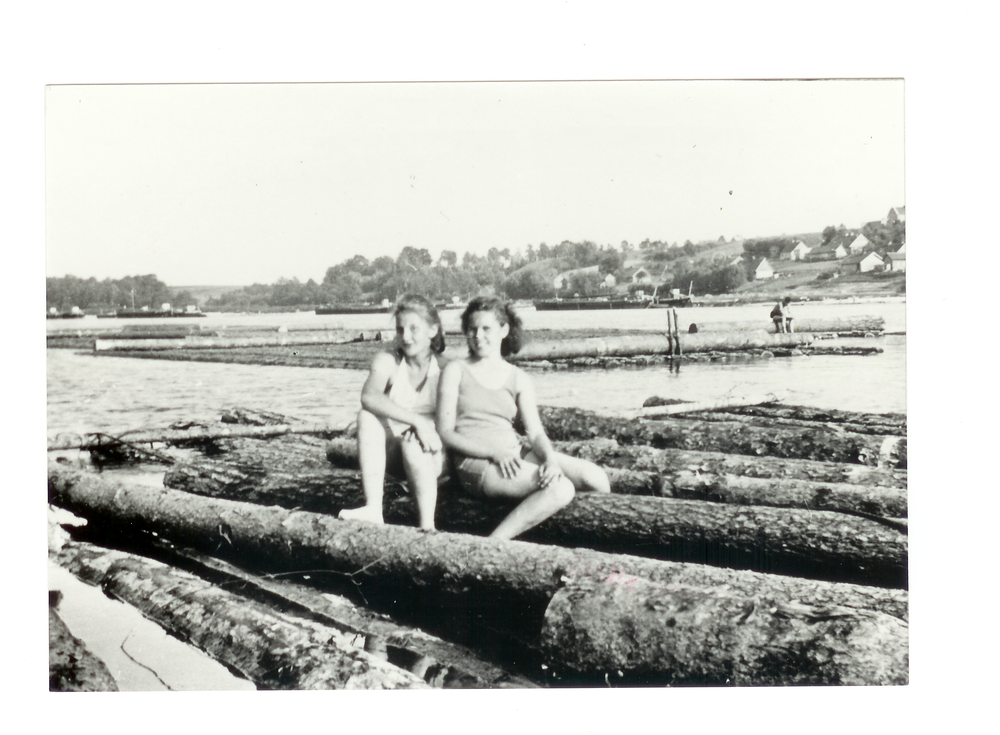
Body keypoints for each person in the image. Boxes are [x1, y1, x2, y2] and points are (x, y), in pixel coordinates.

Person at [436, 296, 610, 540]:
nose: (478, 336)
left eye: (486, 328)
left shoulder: (517, 377)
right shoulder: (456, 370)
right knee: (560, 488)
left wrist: (549, 459)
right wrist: (493, 454)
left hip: (515, 453)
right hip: (477, 462)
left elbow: (536, 432)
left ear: (504, 330)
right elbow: (445, 432)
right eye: (472, 329)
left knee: (596, 478)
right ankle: (495, 543)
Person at [338, 294, 446, 530]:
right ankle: (374, 508)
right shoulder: (388, 361)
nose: (405, 337)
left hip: (434, 455)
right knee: (366, 416)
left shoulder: (446, 368)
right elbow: (368, 396)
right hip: (395, 454)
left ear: (433, 330)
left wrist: (427, 432)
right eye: (400, 329)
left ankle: (427, 528)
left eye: (414, 329)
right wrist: (417, 421)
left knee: (414, 445)